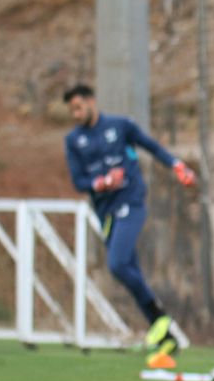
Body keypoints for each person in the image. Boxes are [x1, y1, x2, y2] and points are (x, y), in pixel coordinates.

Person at [62, 84, 195, 362]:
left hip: (131, 203)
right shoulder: (74, 140)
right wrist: (100, 183)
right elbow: (78, 181)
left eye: (78, 107)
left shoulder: (120, 126)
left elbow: (152, 147)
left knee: (118, 263)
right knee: (127, 269)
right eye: (71, 110)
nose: (75, 114)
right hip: (105, 211)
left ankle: (160, 320)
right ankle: (166, 338)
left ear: (91, 102)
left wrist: (177, 165)